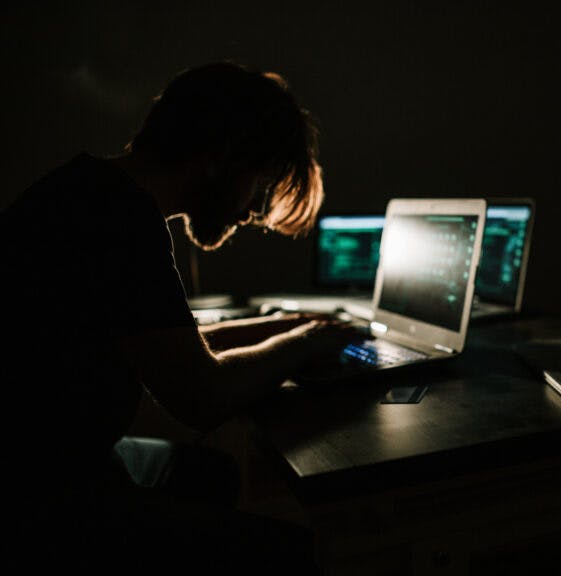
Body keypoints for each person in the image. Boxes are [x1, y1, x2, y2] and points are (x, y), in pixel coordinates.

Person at [1, 61, 347, 572]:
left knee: (211, 474)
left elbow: (179, 342)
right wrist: (306, 345)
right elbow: (203, 395)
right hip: (41, 497)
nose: (254, 211)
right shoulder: (116, 219)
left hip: (56, 462)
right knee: (294, 553)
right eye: (261, 182)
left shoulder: (94, 191)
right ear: (222, 157)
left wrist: (293, 327)